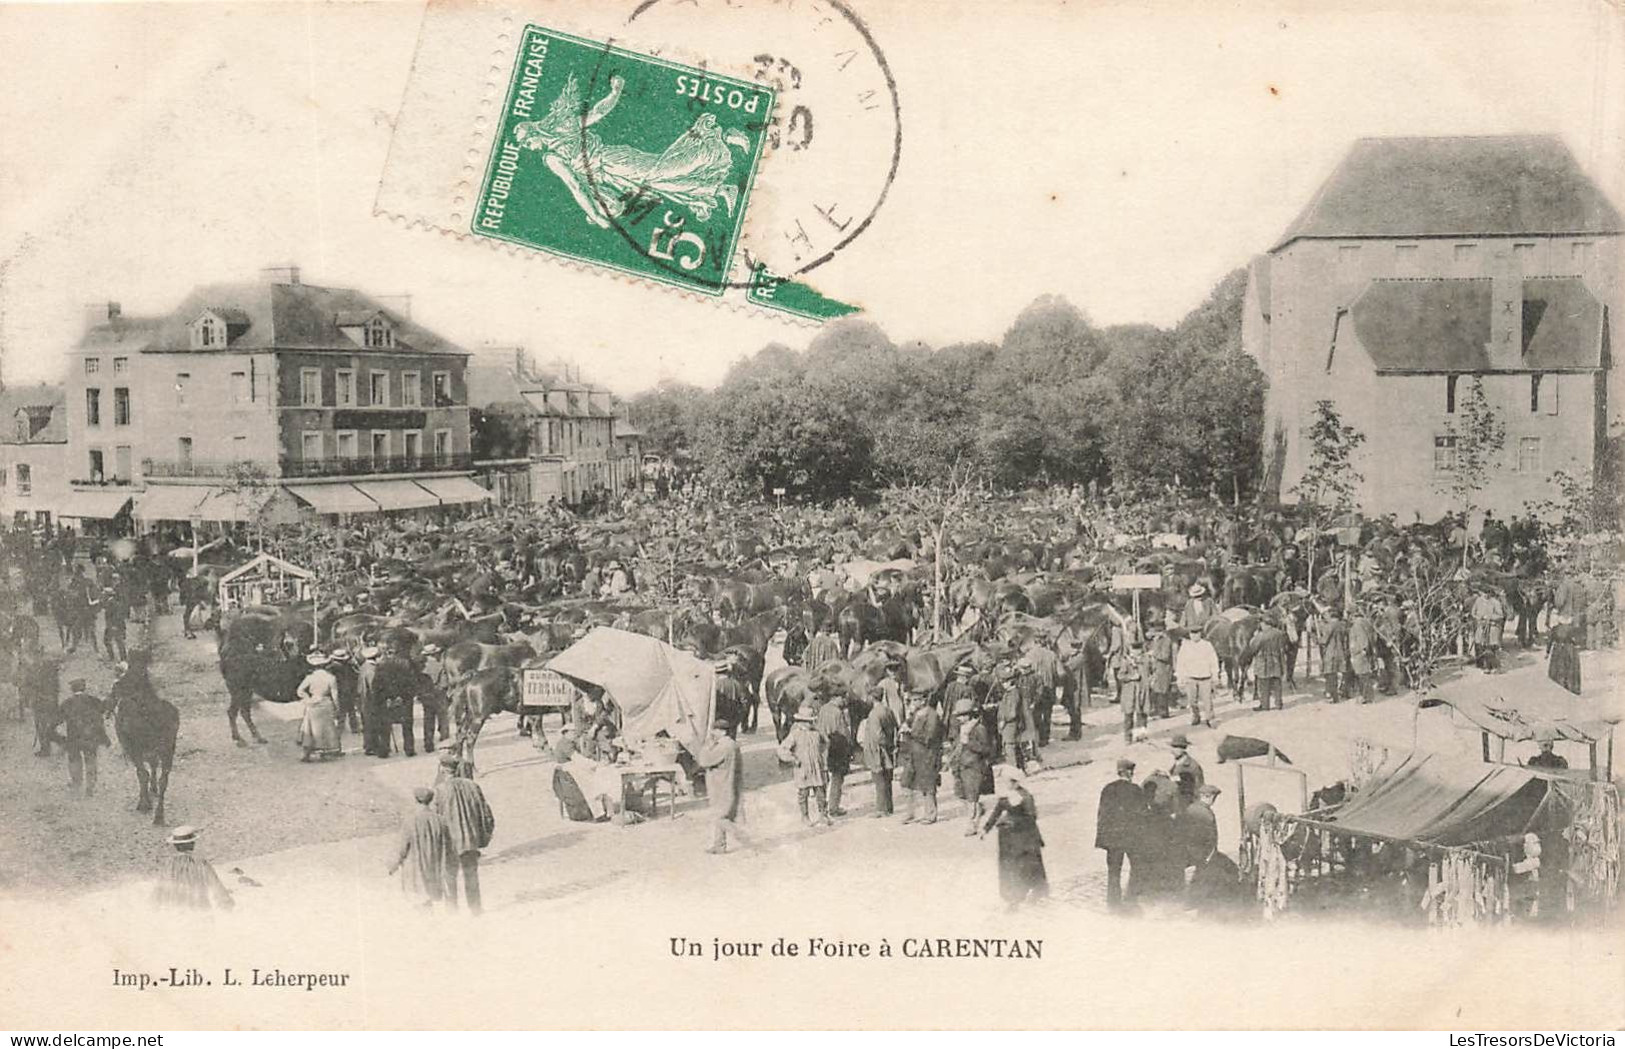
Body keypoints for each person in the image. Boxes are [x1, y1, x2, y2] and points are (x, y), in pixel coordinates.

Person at [434, 752, 496, 910]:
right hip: (470, 840)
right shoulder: (472, 786)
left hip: (450, 843)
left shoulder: (439, 791)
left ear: (442, 769)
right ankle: (475, 910)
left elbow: (436, 820)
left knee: (449, 877)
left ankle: (452, 911)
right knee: (471, 876)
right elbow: (487, 814)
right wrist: (484, 837)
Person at [980, 765, 1048, 909]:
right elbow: (996, 813)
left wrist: (1013, 822)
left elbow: (1032, 816)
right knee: (1010, 867)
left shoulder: (1025, 797)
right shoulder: (1005, 797)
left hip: (1025, 836)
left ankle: (1033, 892)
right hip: (1008, 839)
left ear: (1016, 782)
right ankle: (1012, 896)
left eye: (1008, 782)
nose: (1005, 785)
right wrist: (985, 829)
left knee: (1026, 865)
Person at [386, 787, 453, 908]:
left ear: (416, 800)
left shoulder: (410, 821)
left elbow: (401, 848)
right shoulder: (441, 820)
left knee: (419, 903)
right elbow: (449, 848)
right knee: (431, 901)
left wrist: (393, 865)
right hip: (434, 869)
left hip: (415, 870)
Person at [1096, 757, 1148, 909]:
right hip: (1132, 838)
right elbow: (1143, 814)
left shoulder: (1107, 789)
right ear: (1130, 772)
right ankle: (1131, 898)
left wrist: (1102, 839)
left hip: (1113, 839)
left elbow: (1102, 815)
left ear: (1119, 772)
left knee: (1113, 871)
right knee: (1137, 867)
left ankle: (1113, 903)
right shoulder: (1136, 790)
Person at [698, 719, 751, 853]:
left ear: (722, 731)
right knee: (721, 814)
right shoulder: (732, 744)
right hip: (728, 782)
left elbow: (704, 761)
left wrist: (707, 746)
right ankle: (719, 845)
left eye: (715, 730)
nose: (713, 733)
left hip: (720, 784)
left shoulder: (723, 746)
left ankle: (744, 839)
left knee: (720, 816)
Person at [152, 826, 234, 911]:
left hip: (176, 910)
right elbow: (215, 884)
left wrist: (154, 906)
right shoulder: (200, 862)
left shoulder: (169, 864)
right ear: (191, 844)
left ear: (176, 845)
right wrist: (226, 902)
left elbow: (160, 888)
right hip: (199, 908)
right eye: (192, 842)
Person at [778, 702, 830, 827]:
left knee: (820, 792)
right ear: (801, 722)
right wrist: (793, 759)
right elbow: (782, 749)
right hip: (802, 768)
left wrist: (822, 758)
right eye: (807, 722)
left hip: (817, 766)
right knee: (803, 793)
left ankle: (823, 815)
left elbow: (826, 744)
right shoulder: (795, 734)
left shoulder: (817, 733)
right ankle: (805, 816)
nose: (810, 724)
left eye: (811, 721)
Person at [56, 678, 109, 797]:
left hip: (73, 737)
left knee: (74, 761)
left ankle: (76, 786)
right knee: (91, 761)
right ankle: (90, 787)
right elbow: (103, 710)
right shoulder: (93, 700)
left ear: (72, 689)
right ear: (84, 688)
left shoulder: (67, 703)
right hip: (90, 737)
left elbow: (58, 719)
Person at [950, 697, 994, 835]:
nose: (959, 718)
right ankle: (977, 810)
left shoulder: (979, 728)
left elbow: (986, 749)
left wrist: (968, 743)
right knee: (960, 794)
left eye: (962, 715)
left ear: (970, 714)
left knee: (972, 797)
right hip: (961, 766)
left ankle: (972, 824)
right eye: (958, 716)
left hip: (974, 767)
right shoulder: (962, 728)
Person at [901, 692, 944, 825]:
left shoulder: (932, 715)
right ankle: (910, 813)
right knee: (907, 783)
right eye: (911, 700)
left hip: (927, 756)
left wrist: (910, 732)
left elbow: (929, 737)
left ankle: (930, 814)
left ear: (923, 700)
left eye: (915, 700)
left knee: (928, 786)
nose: (912, 703)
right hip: (914, 755)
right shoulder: (916, 714)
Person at [296, 652, 343, 762]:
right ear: (325, 665)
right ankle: (324, 752)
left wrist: (307, 698)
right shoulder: (331, 677)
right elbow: (335, 695)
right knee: (325, 728)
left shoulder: (310, 677)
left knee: (310, 728)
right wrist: (337, 707)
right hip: (325, 703)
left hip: (313, 703)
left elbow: (299, 690)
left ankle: (306, 753)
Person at [814, 690, 854, 817]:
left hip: (823, 747)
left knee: (823, 779)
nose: (844, 702)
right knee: (837, 779)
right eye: (843, 699)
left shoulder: (823, 709)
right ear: (837, 697)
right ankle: (834, 807)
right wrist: (850, 747)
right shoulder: (838, 712)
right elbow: (843, 732)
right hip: (836, 747)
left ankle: (822, 809)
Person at [860, 695, 899, 818]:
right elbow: (895, 727)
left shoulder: (873, 714)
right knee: (887, 778)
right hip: (888, 748)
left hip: (878, 750)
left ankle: (881, 809)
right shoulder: (888, 710)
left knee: (879, 779)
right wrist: (891, 744)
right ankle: (889, 807)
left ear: (872, 698)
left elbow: (877, 735)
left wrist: (883, 744)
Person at [1174, 627, 1219, 727]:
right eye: (1192, 633)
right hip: (1191, 677)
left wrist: (1215, 675)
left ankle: (1210, 718)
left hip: (1205, 677)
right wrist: (1179, 677)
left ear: (1200, 634)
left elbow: (1213, 660)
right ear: (1189, 634)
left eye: (1197, 633)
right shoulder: (1186, 646)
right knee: (1192, 700)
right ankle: (1195, 716)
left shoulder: (1207, 645)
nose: (1194, 635)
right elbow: (1180, 662)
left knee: (1207, 700)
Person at [1177, 783, 1221, 880]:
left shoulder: (1189, 808)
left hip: (1188, 850)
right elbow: (1212, 836)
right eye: (1214, 797)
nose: (1213, 801)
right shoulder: (1207, 813)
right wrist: (1210, 855)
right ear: (1207, 796)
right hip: (1203, 852)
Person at [1246, 613, 1287, 712]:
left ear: (1265, 623)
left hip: (1263, 662)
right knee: (1277, 683)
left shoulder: (1261, 635)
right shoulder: (1279, 633)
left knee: (1264, 684)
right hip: (1277, 661)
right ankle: (1278, 704)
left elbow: (1252, 648)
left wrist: (1253, 637)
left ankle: (1265, 705)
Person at [1318, 604, 1350, 702]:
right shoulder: (1342, 625)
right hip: (1340, 651)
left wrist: (1318, 639)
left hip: (1331, 652)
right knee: (1338, 674)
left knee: (1331, 674)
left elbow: (1324, 640)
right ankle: (1341, 692)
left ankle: (1333, 696)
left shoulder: (1330, 626)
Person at [1347, 605, 1377, 703]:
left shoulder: (1357, 625)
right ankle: (1366, 696)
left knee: (1362, 675)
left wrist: (1362, 650)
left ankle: (1366, 697)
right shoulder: (1365, 622)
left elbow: (1362, 638)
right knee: (1364, 674)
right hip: (1363, 651)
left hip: (1359, 652)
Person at [1146, 623, 1175, 720]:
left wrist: (1153, 654)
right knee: (1155, 689)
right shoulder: (1155, 641)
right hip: (1156, 669)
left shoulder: (1166, 641)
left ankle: (1163, 712)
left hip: (1163, 669)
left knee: (1162, 690)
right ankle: (1156, 709)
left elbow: (1165, 656)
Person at [1169, 733, 1205, 807]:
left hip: (1188, 804)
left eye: (1176, 747)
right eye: (1173, 747)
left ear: (1183, 748)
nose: (1173, 750)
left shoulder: (1192, 766)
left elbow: (1199, 788)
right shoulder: (1177, 763)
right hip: (1176, 803)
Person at [101, 585, 129, 664]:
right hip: (112, 625)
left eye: (104, 594)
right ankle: (116, 657)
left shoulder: (112, 603)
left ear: (107, 595)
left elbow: (117, 615)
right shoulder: (110, 602)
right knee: (110, 641)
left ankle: (121, 658)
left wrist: (114, 626)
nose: (102, 595)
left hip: (115, 625)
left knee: (118, 641)